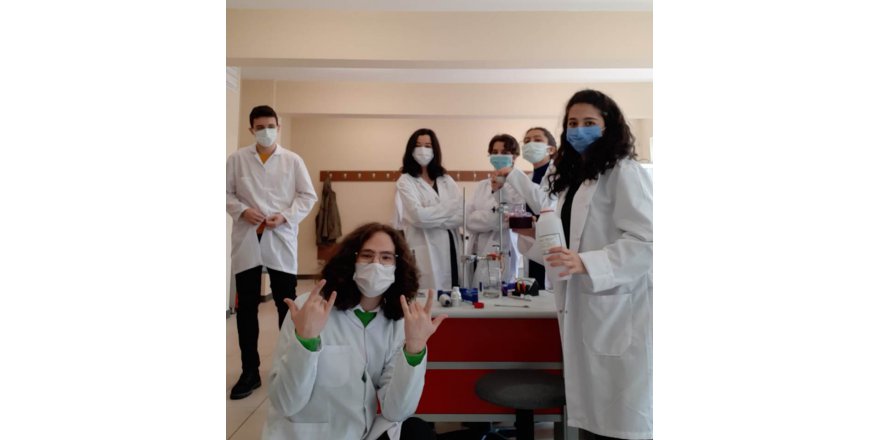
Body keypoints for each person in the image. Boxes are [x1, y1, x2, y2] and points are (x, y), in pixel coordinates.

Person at [514, 89, 653, 439]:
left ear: (609, 126)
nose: (579, 130)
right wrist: (535, 238)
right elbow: (570, 248)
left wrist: (588, 263)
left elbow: (649, 240)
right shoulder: (573, 179)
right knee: (593, 420)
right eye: (572, 123)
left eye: (589, 122)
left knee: (622, 422)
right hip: (585, 308)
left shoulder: (625, 172)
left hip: (618, 310)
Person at [263, 223, 447, 440]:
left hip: (360, 432)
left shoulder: (396, 322)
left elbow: (397, 411)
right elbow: (285, 403)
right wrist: (305, 341)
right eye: (367, 255)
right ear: (351, 260)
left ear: (398, 266)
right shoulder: (309, 309)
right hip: (305, 434)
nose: (376, 264)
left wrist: (414, 350)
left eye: (386, 257)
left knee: (417, 431)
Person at [226, 105, 318, 400]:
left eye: (270, 126)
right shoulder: (237, 159)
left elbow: (308, 196)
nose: (266, 131)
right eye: (260, 127)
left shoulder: (292, 160)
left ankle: (289, 366)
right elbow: (225, 193)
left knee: (286, 306)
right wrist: (242, 210)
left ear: (278, 127)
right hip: (248, 239)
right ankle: (249, 371)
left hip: (281, 238)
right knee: (246, 308)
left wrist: (286, 216)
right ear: (251, 129)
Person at [395, 128, 464, 291]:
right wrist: (449, 208)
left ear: (435, 150)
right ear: (411, 149)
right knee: (427, 291)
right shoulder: (405, 181)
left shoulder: (446, 179)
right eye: (418, 145)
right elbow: (418, 217)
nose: (423, 150)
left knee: (453, 290)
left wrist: (430, 215)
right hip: (423, 245)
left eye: (428, 146)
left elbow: (461, 214)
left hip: (451, 245)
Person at [496, 127, 559, 290]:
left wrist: (513, 173)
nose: (531, 144)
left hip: (552, 245)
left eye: (537, 140)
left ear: (551, 149)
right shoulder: (529, 178)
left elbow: (543, 206)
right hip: (532, 247)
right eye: (527, 141)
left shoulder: (558, 175)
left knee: (550, 293)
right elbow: (516, 206)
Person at [465, 134, 525, 286]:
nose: (498, 156)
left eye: (504, 152)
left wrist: (483, 218)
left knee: (500, 291)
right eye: (494, 152)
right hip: (477, 251)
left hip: (504, 250)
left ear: (514, 156)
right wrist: (495, 217)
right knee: (477, 290)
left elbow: (510, 218)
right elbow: (467, 220)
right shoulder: (482, 185)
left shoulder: (520, 186)